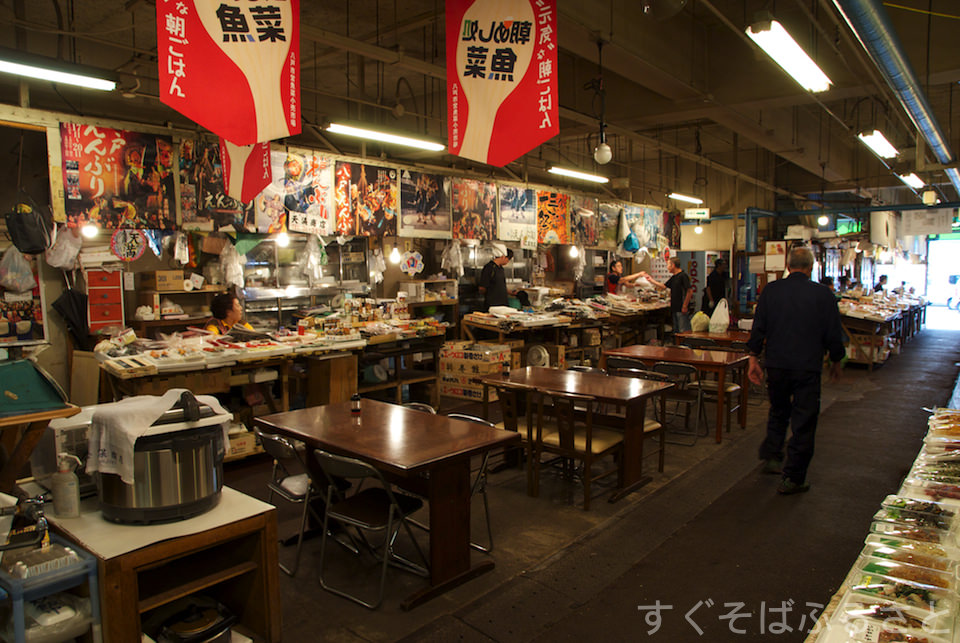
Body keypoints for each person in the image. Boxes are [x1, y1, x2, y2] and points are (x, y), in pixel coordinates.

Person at [746, 247, 845, 495]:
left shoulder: (771, 291)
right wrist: (836, 359)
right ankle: (794, 477)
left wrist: (752, 358)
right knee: (804, 420)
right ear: (811, 267)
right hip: (807, 366)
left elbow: (759, 327)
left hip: (777, 364)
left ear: (787, 266)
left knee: (778, 411)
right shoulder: (824, 295)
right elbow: (833, 332)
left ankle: (772, 457)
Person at [640, 257, 694, 333]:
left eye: (668, 264)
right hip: (675, 307)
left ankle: (686, 345)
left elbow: (689, 291)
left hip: (681, 308)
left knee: (683, 330)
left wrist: (685, 306)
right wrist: (651, 280)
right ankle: (678, 345)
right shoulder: (674, 277)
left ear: (673, 265)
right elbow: (663, 286)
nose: (667, 267)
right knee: (676, 330)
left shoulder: (683, 276)